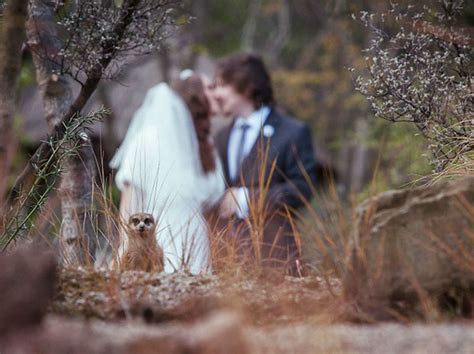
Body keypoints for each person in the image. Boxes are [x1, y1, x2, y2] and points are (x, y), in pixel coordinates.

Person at [110, 70, 225, 274]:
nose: (217, 93)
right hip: (160, 245)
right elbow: (131, 202)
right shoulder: (148, 140)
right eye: (210, 87)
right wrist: (127, 249)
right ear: (194, 96)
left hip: (200, 246)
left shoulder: (207, 148)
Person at [212, 53, 317, 276]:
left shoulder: (292, 132)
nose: (216, 94)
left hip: (276, 258)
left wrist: (246, 199)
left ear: (247, 86)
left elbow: (303, 189)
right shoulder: (220, 137)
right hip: (225, 264)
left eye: (222, 85)